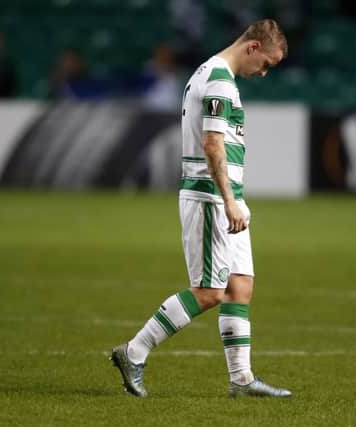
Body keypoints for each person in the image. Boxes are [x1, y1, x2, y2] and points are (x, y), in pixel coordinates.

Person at [110, 19, 291, 398]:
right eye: (266, 64)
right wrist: (228, 202)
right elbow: (212, 144)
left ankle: (241, 380)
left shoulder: (208, 73)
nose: (263, 73)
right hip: (211, 197)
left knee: (240, 286)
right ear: (253, 47)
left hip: (226, 197)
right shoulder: (220, 81)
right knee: (210, 291)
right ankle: (134, 352)